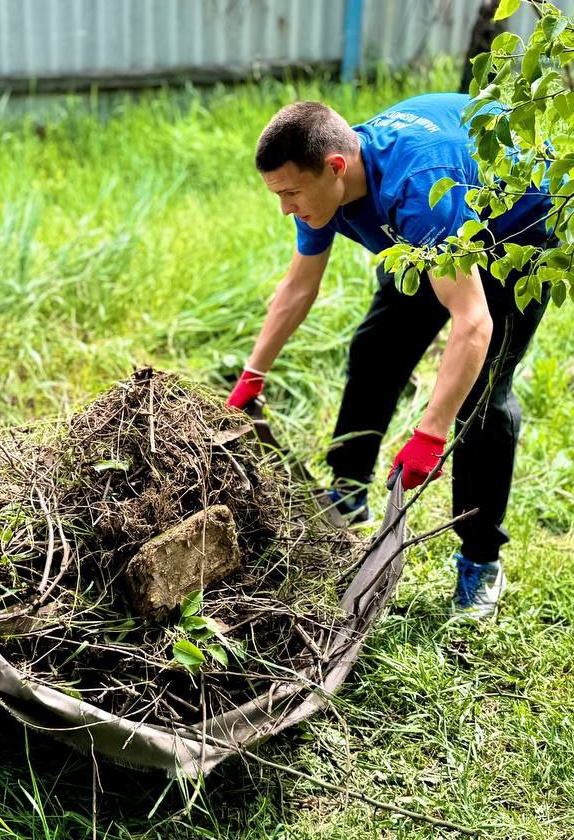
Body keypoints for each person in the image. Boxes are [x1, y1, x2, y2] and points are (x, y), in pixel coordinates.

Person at [227, 93, 552, 620]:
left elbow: (473, 322)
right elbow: (298, 286)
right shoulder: (322, 182)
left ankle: (480, 561)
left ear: (336, 168)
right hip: (435, 235)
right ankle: (349, 490)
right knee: (377, 347)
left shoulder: (416, 189)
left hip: (518, 235)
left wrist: (430, 433)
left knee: (482, 399)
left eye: (289, 193)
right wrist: (252, 374)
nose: (285, 208)